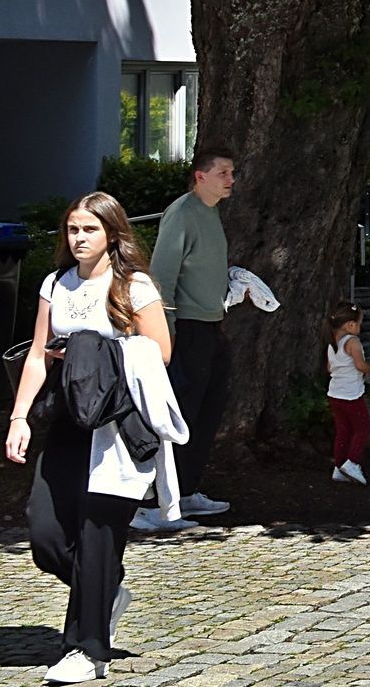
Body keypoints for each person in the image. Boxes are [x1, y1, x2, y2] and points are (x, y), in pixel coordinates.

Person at [6, 193, 179, 685]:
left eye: (89, 230)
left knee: (97, 537)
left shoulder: (132, 286)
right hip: (67, 419)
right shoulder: (54, 284)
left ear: (112, 234)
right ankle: (106, 590)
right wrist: (20, 416)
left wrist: (93, 350)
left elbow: (159, 353)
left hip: (117, 424)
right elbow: (37, 355)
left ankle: (87, 650)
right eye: (72, 230)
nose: (78, 239)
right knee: (46, 534)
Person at [143, 145, 234, 530]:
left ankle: (185, 490)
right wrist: (168, 334)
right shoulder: (182, 213)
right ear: (201, 176)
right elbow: (161, 275)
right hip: (188, 329)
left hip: (212, 324)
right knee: (178, 414)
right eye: (224, 173)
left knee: (206, 411)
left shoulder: (210, 213)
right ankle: (154, 502)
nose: (231, 180)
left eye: (232, 173)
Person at [324, 300, 370, 486]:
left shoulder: (331, 344)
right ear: (350, 325)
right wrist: (368, 369)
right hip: (352, 395)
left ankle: (339, 466)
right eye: (359, 323)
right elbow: (359, 365)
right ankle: (352, 462)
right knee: (362, 428)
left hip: (335, 394)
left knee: (343, 430)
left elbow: (329, 368)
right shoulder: (352, 342)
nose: (360, 327)